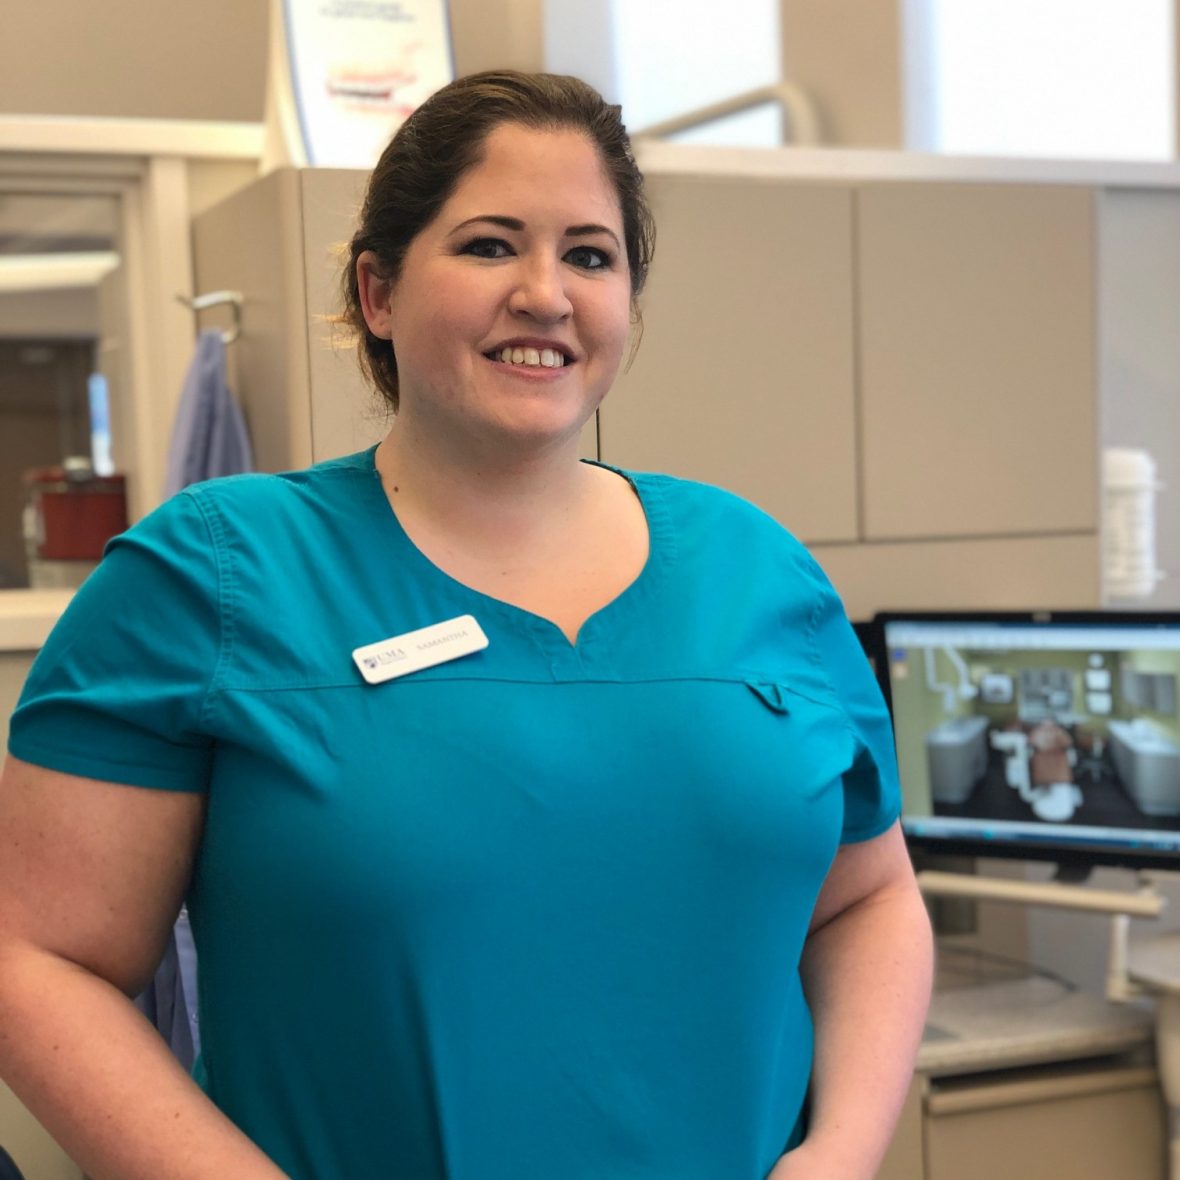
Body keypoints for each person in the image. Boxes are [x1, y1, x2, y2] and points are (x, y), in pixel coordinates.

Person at [0, 71, 932, 1180]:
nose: (545, 293)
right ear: (379, 292)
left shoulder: (757, 567)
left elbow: (871, 899)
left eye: (590, 254)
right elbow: (38, 955)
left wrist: (839, 1150)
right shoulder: (215, 572)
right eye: (491, 244)